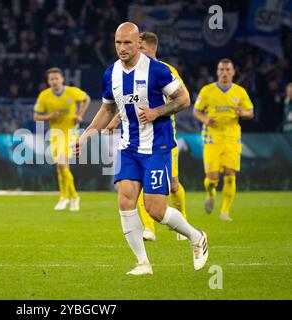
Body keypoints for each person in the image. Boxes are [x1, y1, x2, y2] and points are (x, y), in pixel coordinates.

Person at [73, 22, 208, 275]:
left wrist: (157, 111)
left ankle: (196, 236)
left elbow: (184, 99)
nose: (122, 48)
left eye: (127, 43)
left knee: (155, 210)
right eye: (117, 43)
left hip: (157, 147)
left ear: (138, 44)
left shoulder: (157, 71)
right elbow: (107, 109)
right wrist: (86, 136)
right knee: (125, 202)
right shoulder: (110, 74)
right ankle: (143, 263)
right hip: (128, 147)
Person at [103, 31, 188, 242]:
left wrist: (156, 112)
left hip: (162, 137)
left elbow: (182, 99)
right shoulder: (123, 71)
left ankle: (182, 221)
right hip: (135, 139)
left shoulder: (164, 70)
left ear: (151, 48)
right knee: (136, 183)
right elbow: (125, 107)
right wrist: (112, 123)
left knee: (174, 184)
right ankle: (148, 228)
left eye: (141, 49)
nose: (135, 52)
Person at [193, 59, 254, 221]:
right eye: (221, 70)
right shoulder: (207, 91)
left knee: (230, 173)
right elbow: (196, 111)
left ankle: (225, 212)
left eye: (228, 69)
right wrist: (205, 120)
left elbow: (250, 112)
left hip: (232, 136)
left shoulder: (240, 92)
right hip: (212, 137)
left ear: (233, 72)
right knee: (212, 177)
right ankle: (210, 193)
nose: (224, 73)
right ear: (217, 72)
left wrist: (242, 113)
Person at [34, 67, 91, 211]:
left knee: (61, 164)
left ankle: (66, 197)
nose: (54, 81)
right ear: (48, 81)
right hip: (55, 135)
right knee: (62, 167)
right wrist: (49, 116)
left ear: (62, 79)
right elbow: (36, 116)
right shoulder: (44, 96)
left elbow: (86, 99)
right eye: (51, 79)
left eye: (56, 78)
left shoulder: (71, 91)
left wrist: (79, 114)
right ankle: (71, 197)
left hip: (70, 133)